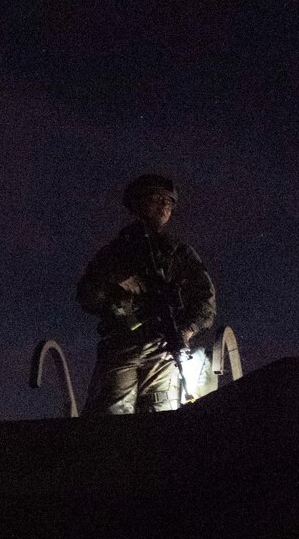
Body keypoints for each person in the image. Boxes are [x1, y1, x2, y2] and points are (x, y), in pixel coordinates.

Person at [76, 173, 217, 414]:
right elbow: (86, 297)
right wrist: (114, 283)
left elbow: (205, 300)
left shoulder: (178, 253)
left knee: (160, 418)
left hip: (163, 348)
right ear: (139, 202)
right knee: (111, 419)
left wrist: (187, 330)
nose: (165, 205)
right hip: (121, 346)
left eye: (169, 202)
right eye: (157, 198)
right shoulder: (114, 253)